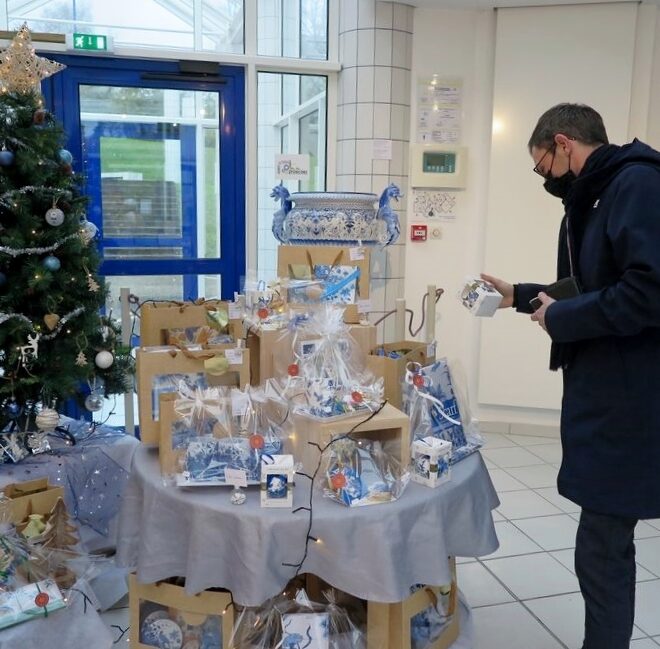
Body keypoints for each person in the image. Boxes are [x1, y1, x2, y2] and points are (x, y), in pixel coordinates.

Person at [482, 103, 660, 649]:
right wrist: (519, 296)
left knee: (601, 549)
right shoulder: (598, 194)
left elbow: (646, 293)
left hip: (631, 399)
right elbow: (591, 285)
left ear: (563, 143)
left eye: (543, 167)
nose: (546, 181)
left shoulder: (635, 186)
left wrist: (560, 318)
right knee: (602, 544)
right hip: (609, 391)